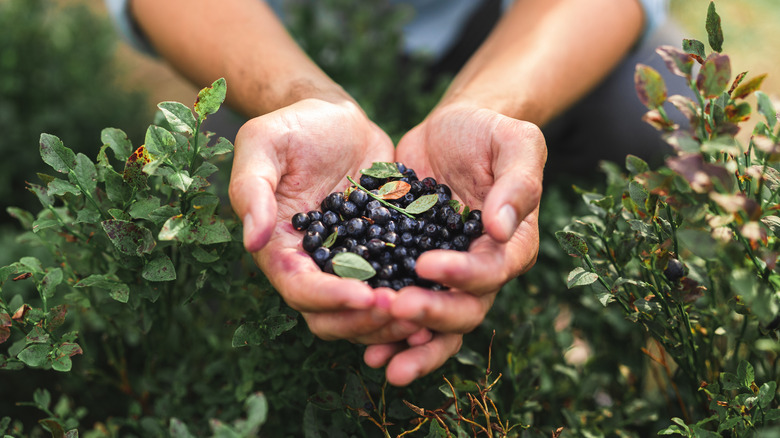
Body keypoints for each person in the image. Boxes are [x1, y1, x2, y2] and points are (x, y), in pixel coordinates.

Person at [105, 0, 668, 386]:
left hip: (503, 31)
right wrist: (296, 99)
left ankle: (635, 358)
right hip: (270, 42)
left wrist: (490, 107)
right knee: (220, 203)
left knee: (656, 111)